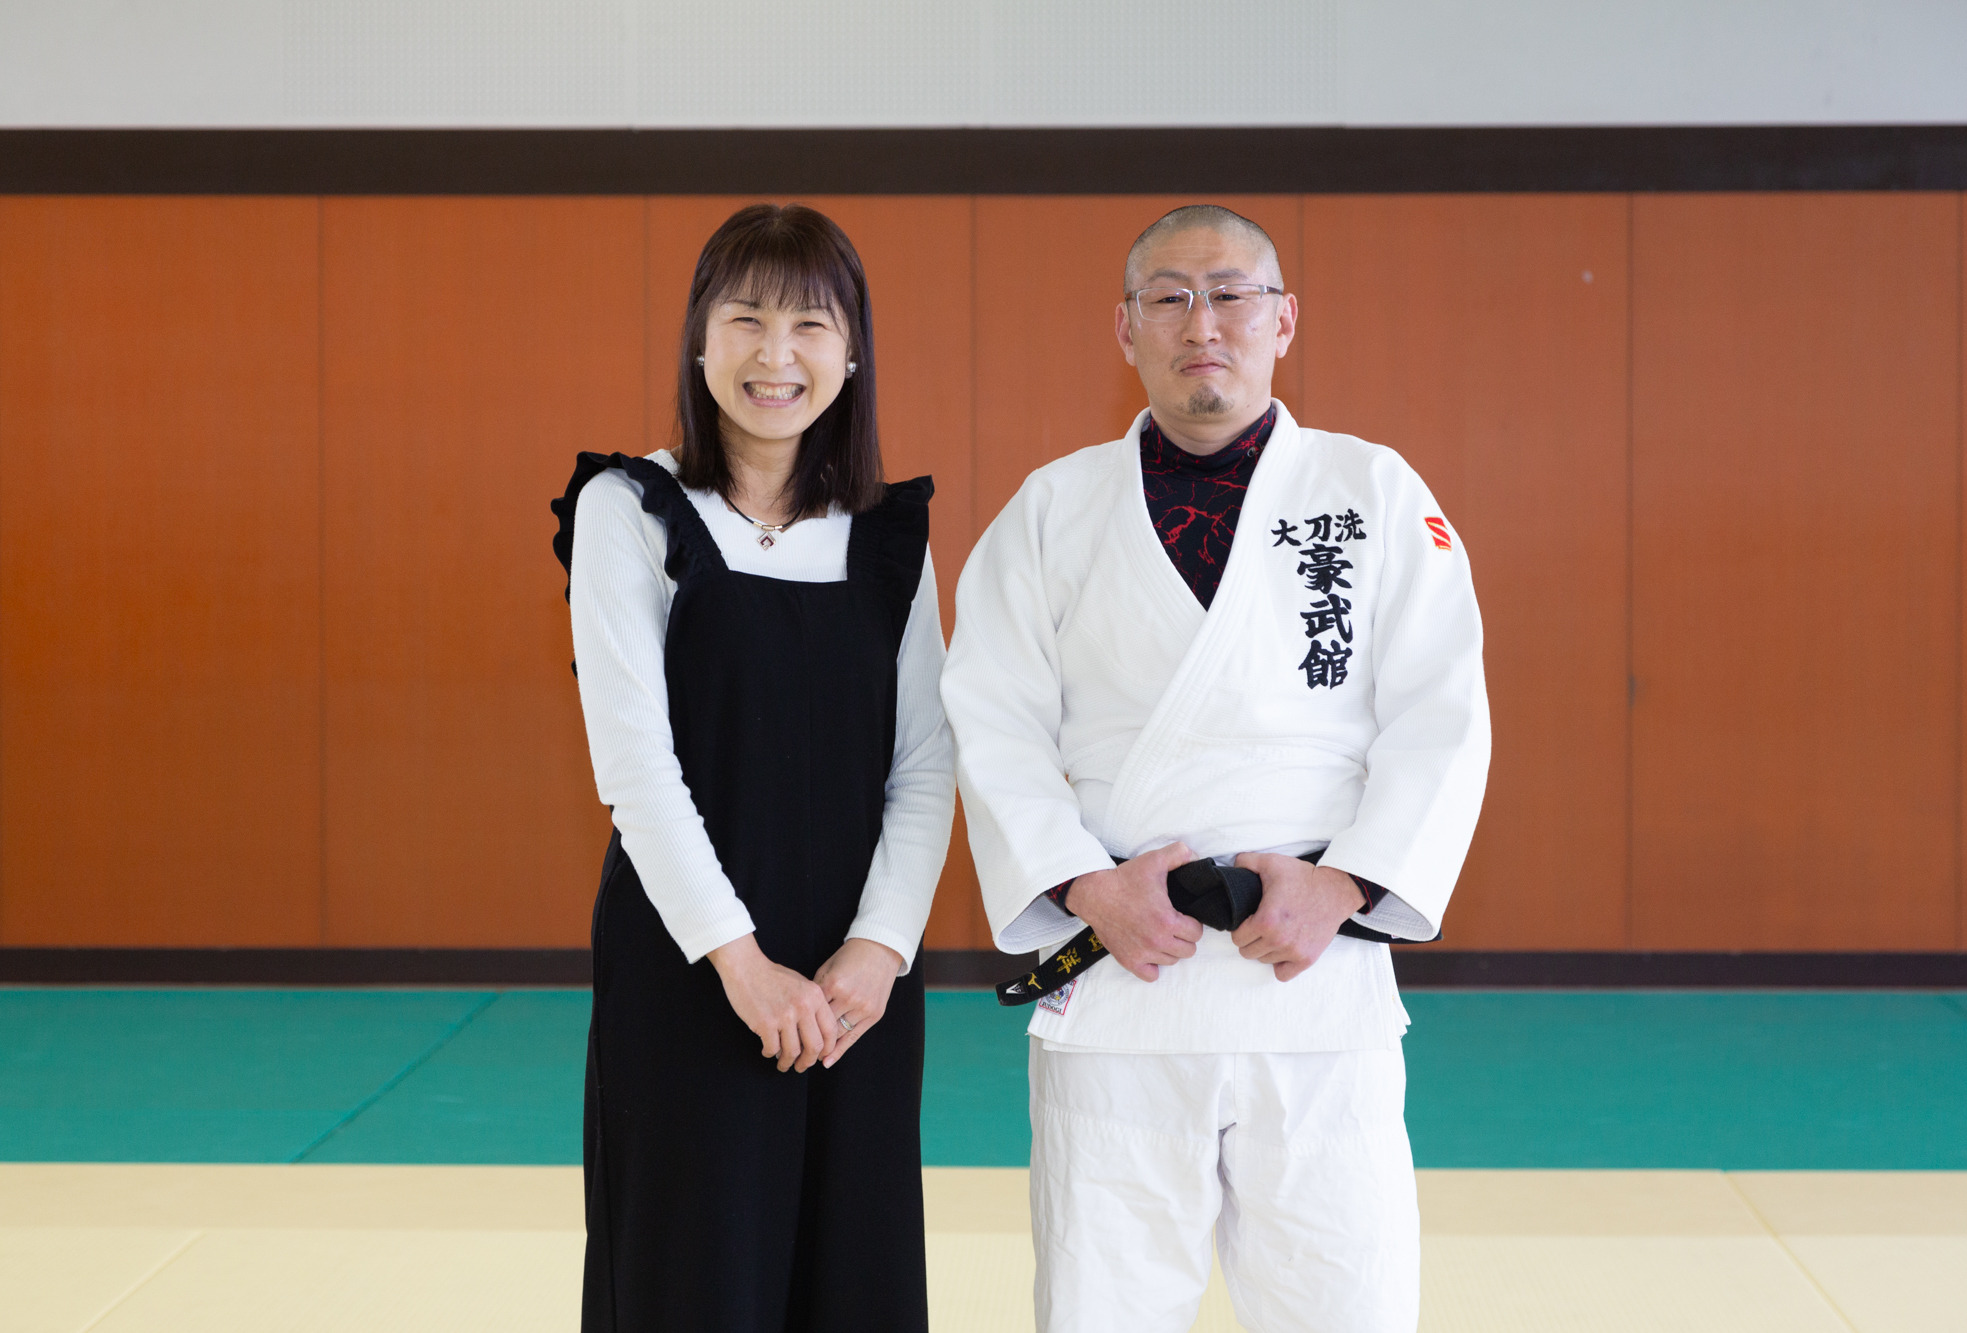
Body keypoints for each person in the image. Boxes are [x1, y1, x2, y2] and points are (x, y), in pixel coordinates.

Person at [941, 205, 1490, 1332]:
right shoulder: (1050, 509)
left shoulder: (1375, 490)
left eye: (1233, 294)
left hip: (1315, 979)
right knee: (1100, 1308)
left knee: (1345, 1307)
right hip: (1122, 977)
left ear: (1283, 319)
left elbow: (1443, 713)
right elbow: (991, 720)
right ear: (1125, 328)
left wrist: (1344, 884)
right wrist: (1085, 886)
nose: (1204, 324)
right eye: (1170, 298)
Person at [552, 203, 953, 1332]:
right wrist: (741, 963)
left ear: (852, 351)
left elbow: (926, 763)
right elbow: (636, 767)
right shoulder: (628, 509)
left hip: (857, 988)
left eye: (811, 325)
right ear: (699, 339)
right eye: (747, 319)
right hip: (692, 967)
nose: (777, 355)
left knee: (855, 1277)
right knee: (693, 1279)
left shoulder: (889, 535)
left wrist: (878, 951)